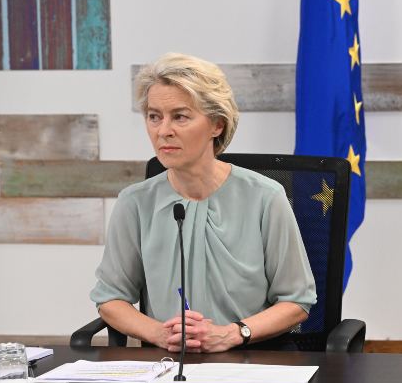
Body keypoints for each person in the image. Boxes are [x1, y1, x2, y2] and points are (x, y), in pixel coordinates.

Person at [90, 53, 316, 353]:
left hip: (250, 360)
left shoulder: (266, 197)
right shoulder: (135, 203)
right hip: (167, 364)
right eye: (154, 116)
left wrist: (232, 334)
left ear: (217, 125)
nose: (163, 130)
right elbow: (110, 299)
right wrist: (158, 333)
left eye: (180, 116)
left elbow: (297, 302)